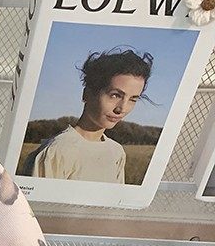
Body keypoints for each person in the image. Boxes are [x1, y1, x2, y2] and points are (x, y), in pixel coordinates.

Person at [26, 47, 154, 183]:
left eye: (133, 99)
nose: (122, 108)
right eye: (115, 95)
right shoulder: (56, 151)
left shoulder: (116, 152)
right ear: (87, 94)